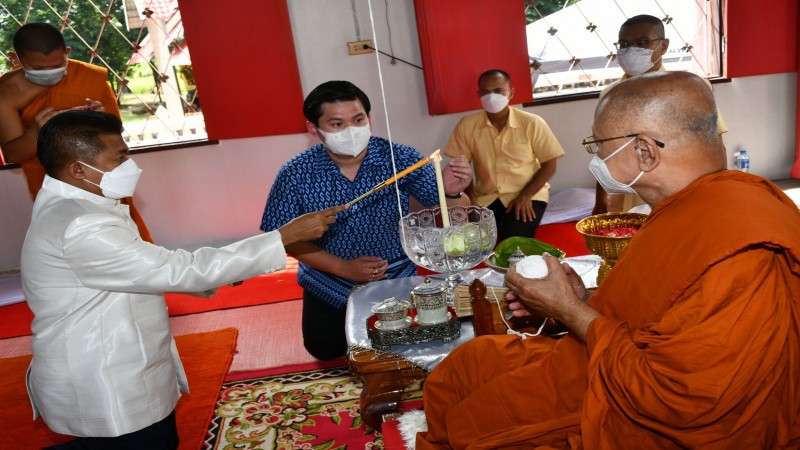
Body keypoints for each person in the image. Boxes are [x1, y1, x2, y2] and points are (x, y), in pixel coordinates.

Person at [416, 72, 800, 449]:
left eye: (598, 145)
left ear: (645, 151)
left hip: (633, 404)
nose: (595, 157)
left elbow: (680, 398)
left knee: (472, 419)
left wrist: (568, 310)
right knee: (466, 365)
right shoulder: (687, 206)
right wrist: (581, 300)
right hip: (598, 356)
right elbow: (654, 310)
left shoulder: (743, 250)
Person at [22, 110, 342, 450]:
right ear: (78, 169)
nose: (130, 164)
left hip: (108, 354)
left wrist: (230, 268)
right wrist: (283, 237)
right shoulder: (83, 224)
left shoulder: (71, 202)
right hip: (105, 372)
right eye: (119, 158)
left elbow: (145, 269)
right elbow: (178, 269)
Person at [260, 80, 472, 361]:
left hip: (394, 275)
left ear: (368, 118)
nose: (351, 131)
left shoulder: (400, 158)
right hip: (328, 281)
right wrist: (342, 267)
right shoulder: (295, 174)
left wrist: (452, 191)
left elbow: (458, 213)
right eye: (337, 124)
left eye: (358, 120)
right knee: (324, 349)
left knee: (412, 342)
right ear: (314, 128)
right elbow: (286, 240)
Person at [0, 22, 154, 242]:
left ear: (67, 53)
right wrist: (36, 132)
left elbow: (116, 137)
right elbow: (14, 153)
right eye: (38, 69)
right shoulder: (7, 90)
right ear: (16, 59)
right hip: (50, 178)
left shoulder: (90, 77)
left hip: (99, 172)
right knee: (71, 237)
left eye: (57, 64)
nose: (49, 73)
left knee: (121, 234)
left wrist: (99, 119)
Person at [592, 14, 728, 215]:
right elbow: (604, 152)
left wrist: (718, 192)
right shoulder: (610, 95)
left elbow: (714, 145)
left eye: (642, 42)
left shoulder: (687, 87)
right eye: (624, 44)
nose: (631, 50)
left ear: (663, 46)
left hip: (678, 194)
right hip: (627, 198)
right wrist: (600, 203)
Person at [444, 69, 565, 243]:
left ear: (511, 92)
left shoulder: (532, 123)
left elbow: (549, 164)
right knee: (477, 240)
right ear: (479, 94)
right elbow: (461, 168)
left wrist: (525, 196)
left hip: (528, 194)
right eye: (485, 92)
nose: (491, 96)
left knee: (513, 235)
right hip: (486, 197)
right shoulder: (466, 125)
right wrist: (471, 201)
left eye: (498, 91)